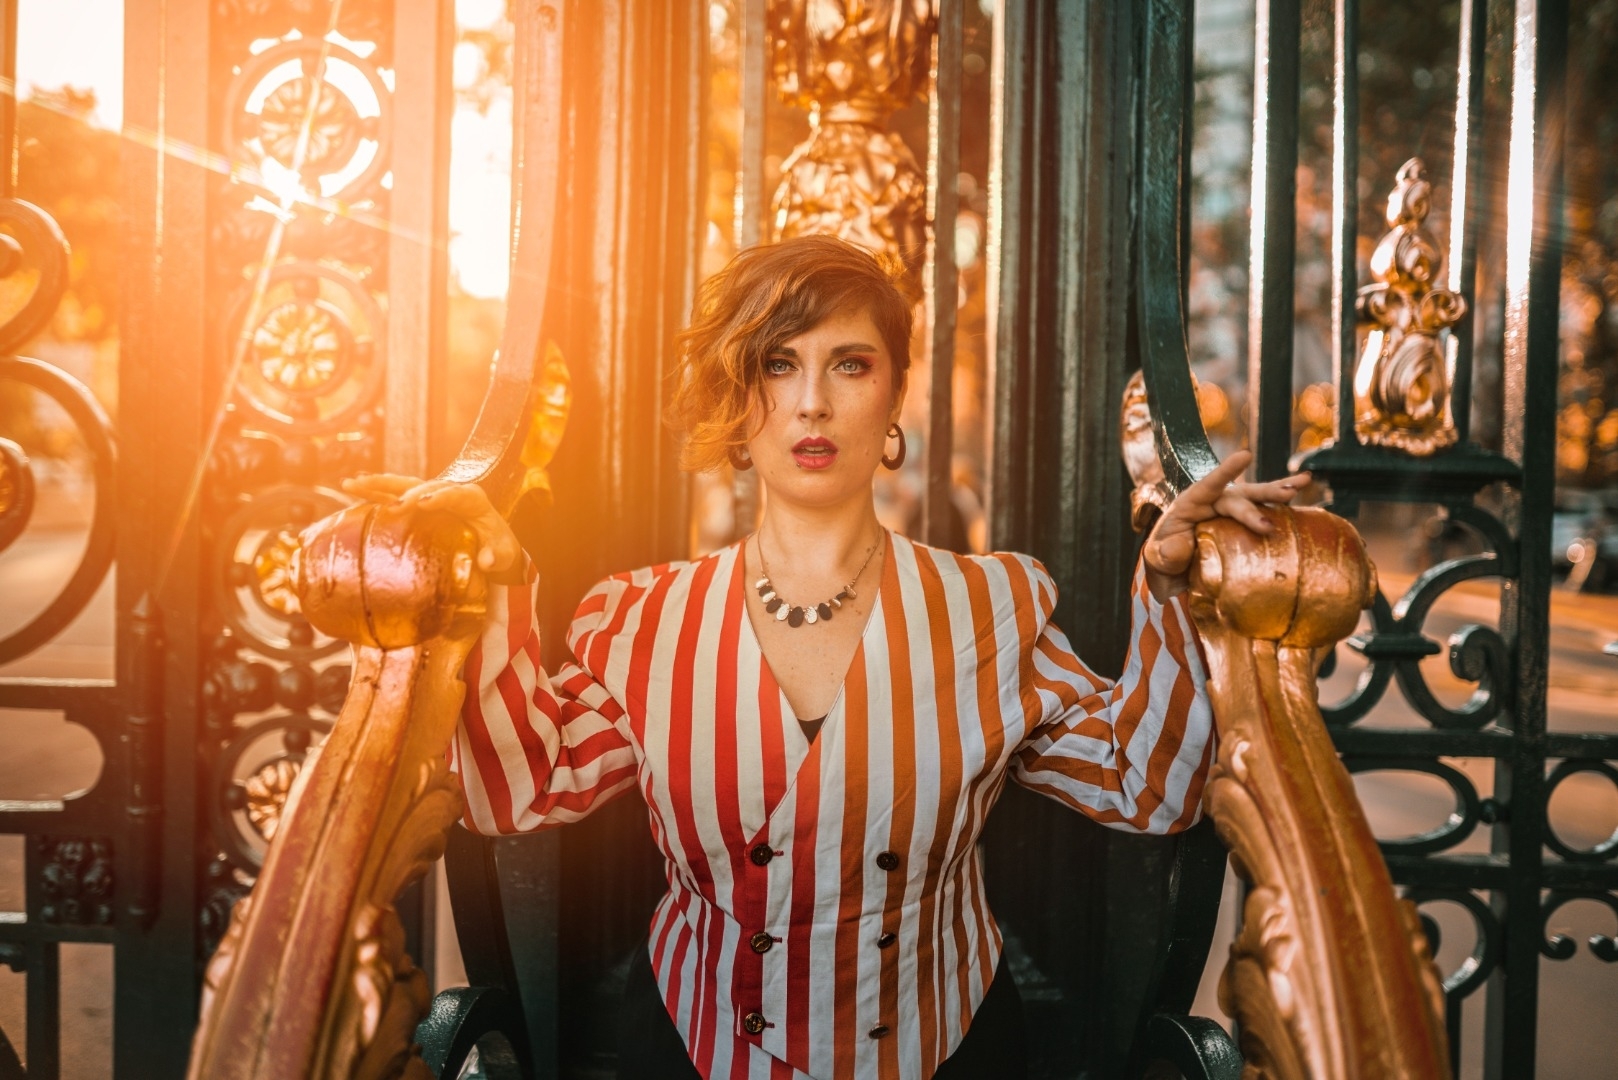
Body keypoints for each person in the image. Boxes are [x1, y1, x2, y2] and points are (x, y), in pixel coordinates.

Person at [344, 235, 1307, 1080]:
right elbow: (517, 791)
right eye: (777, 364)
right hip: (694, 1050)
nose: (812, 403)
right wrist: (490, 577)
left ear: (893, 394)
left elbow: (1148, 785)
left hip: (946, 1051)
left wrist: (1173, 587)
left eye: (850, 365)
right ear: (739, 396)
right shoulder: (647, 620)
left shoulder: (986, 608)